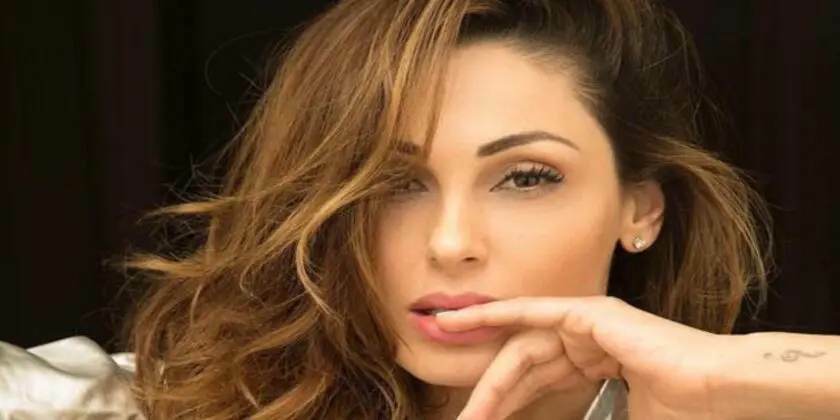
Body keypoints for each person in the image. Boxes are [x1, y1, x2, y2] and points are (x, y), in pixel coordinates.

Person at [3, 0, 839, 419]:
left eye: (526, 177)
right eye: (392, 183)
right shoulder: (156, 406)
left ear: (640, 211)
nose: (450, 242)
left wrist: (729, 375)